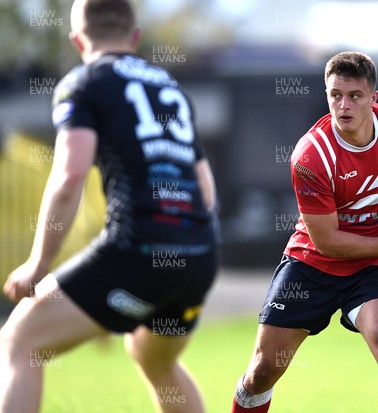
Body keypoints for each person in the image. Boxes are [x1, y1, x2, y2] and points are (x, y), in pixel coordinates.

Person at [0, 1, 219, 412]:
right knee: (153, 357)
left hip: (138, 250)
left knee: (19, 341)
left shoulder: (84, 82)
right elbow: (207, 192)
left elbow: (69, 178)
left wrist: (38, 264)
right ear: (135, 37)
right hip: (200, 254)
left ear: (78, 40)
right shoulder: (171, 89)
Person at [231, 51, 378, 413]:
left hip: (371, 265)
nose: (343, 105)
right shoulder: (311, 156)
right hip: (311, 266)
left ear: (373, 98)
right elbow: (327, 241)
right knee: (263, 371)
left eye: (355, 96)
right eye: (335, 95)